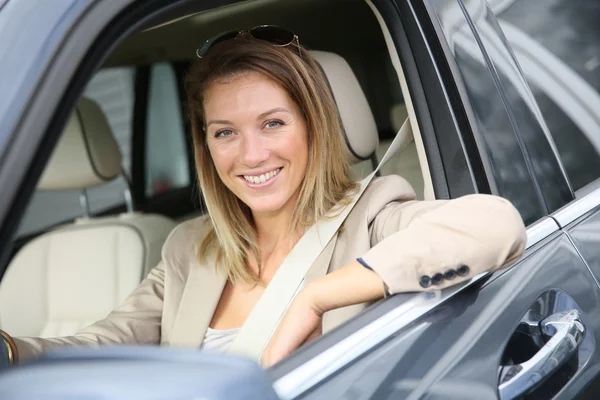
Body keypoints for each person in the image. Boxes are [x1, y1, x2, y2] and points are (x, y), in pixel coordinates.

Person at [0, 26, 526, 368]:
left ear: (313, 128)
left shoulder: (374, 215)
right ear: (205, 145)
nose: (250, 155)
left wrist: (315, 297)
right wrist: (13, 351)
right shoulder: (190, 250)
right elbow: (105, 347)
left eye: (272, 124)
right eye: (225, 132)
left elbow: (494, 222)